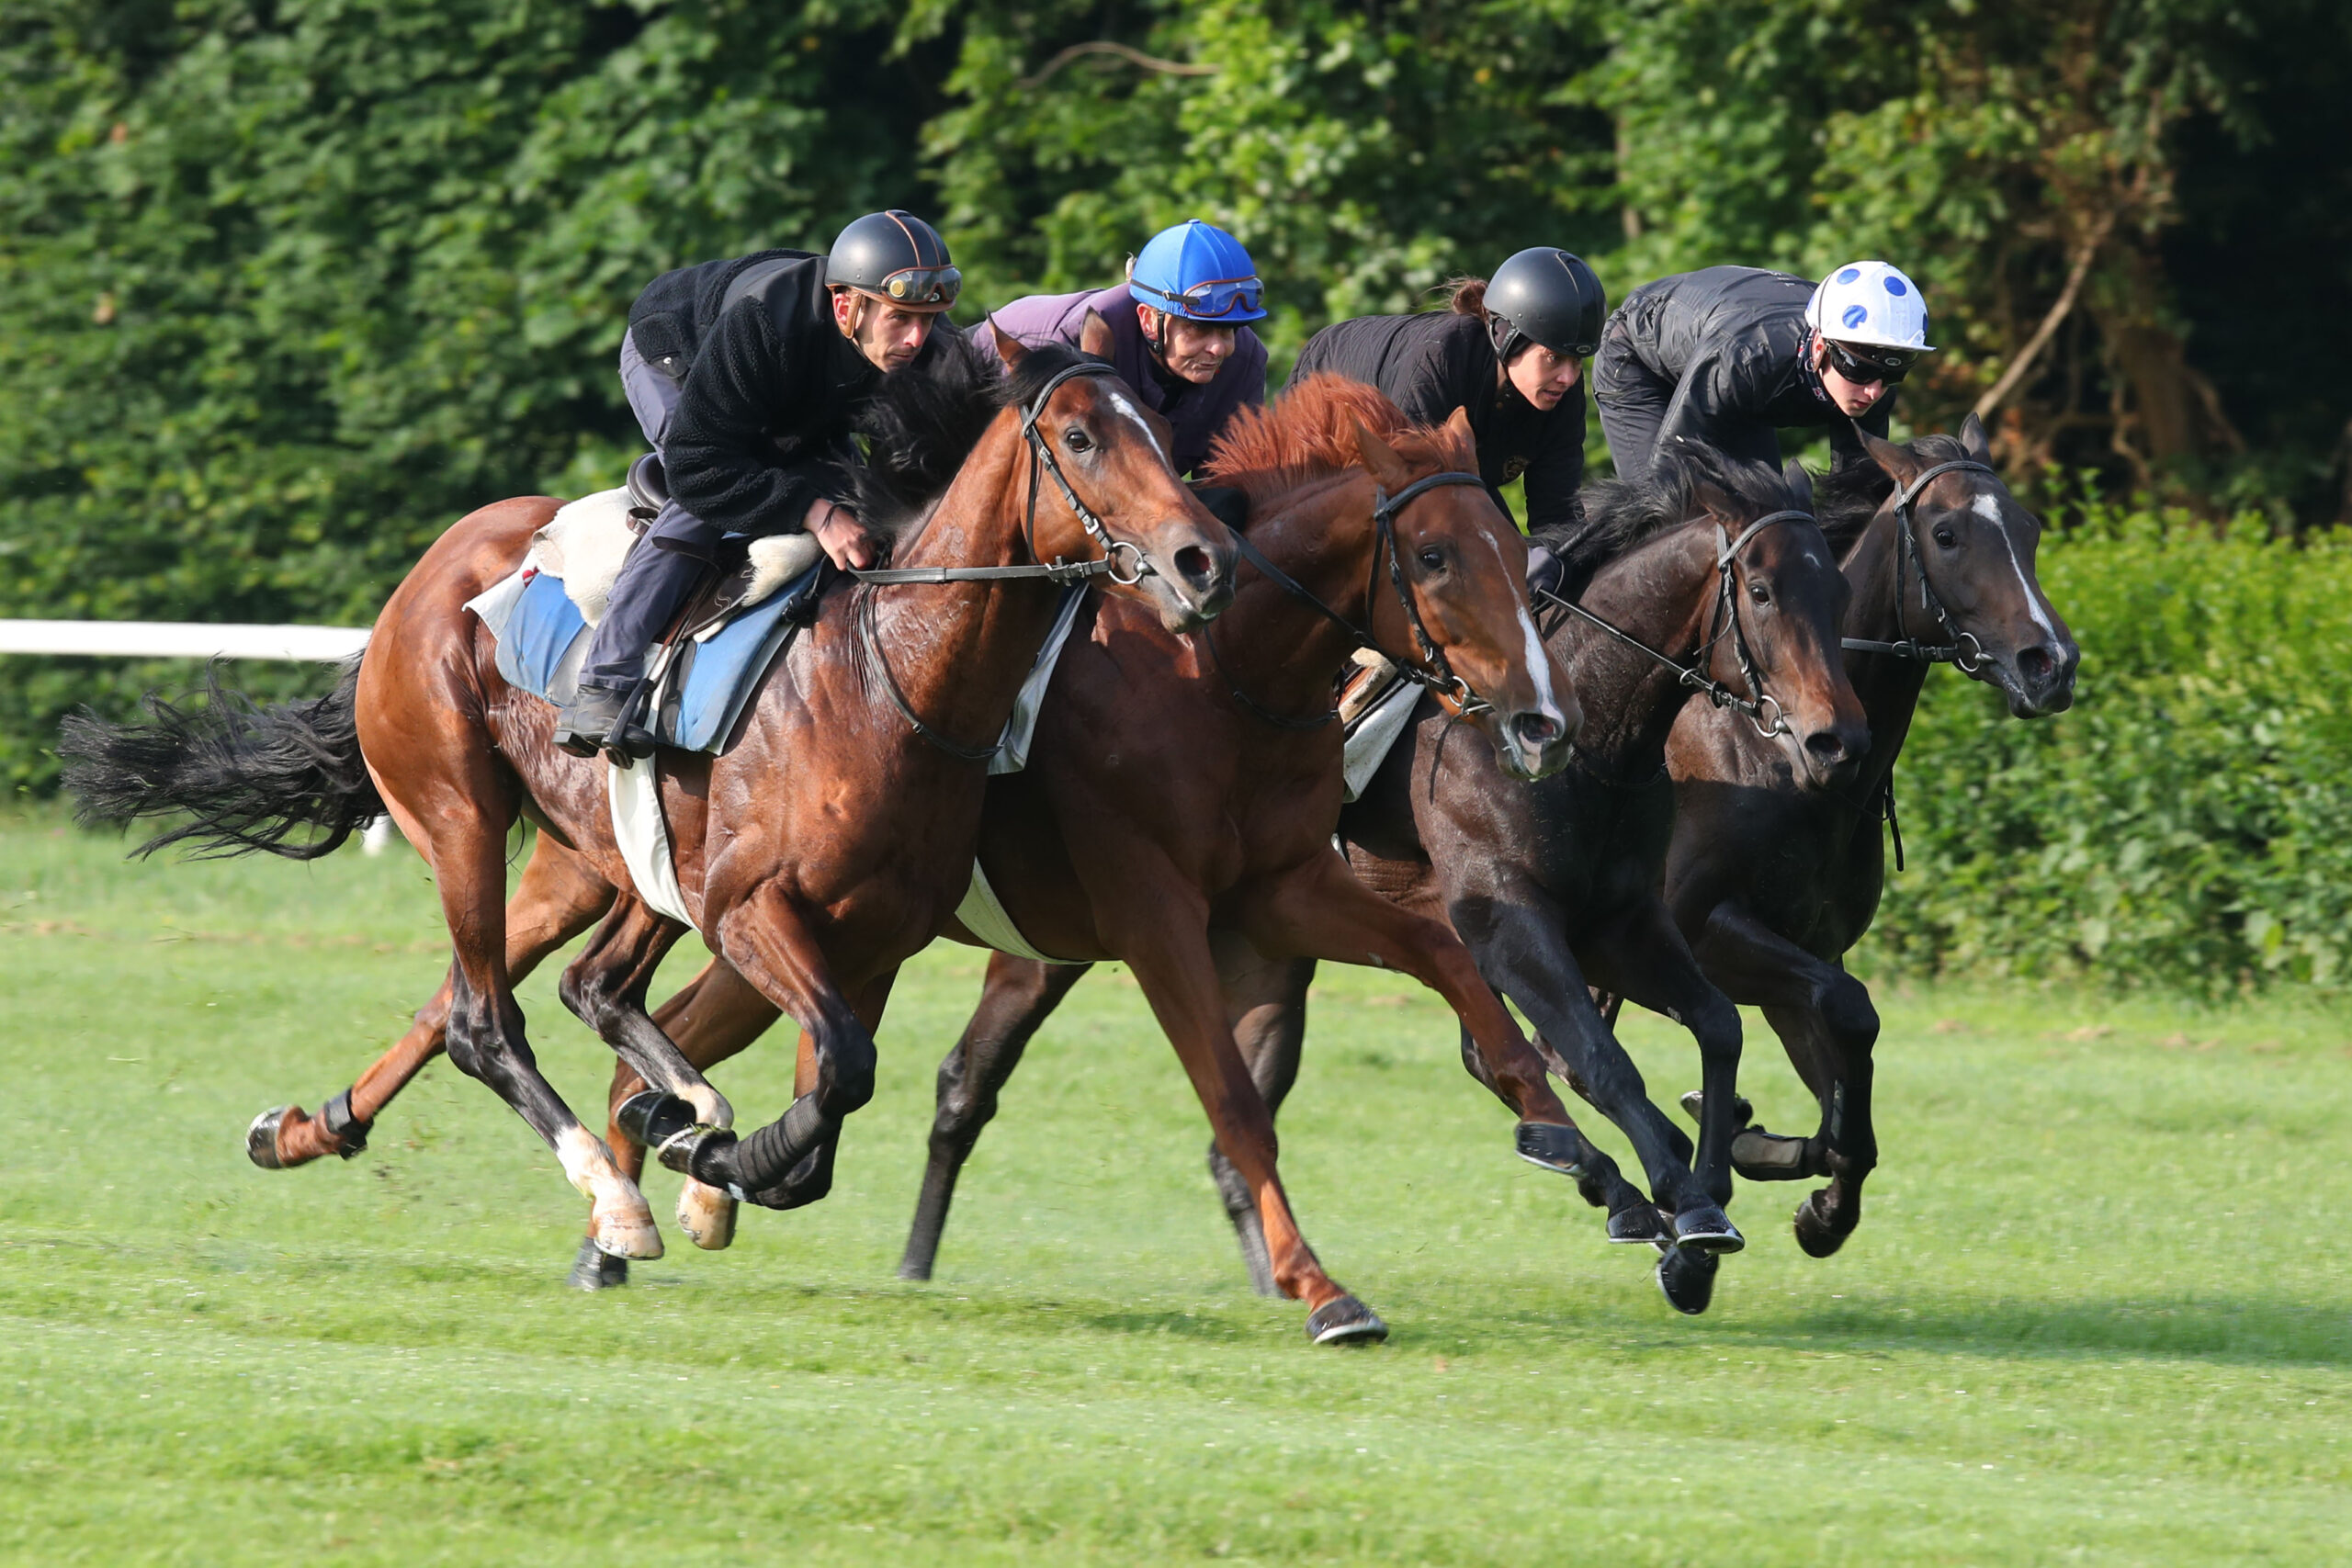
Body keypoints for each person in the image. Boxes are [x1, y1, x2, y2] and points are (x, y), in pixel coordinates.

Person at [554, 209, 962, 758]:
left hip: (792, 382)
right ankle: (604, 683)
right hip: (680, 354)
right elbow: (701, 468)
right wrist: (817, 513)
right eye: (900, 319)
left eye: (929, 319)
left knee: (850, 485)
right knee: (707, 498)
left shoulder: (923, 341)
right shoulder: (765, 319)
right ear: (848, 306)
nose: (917, 338)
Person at [1286, 247, 1605, 534]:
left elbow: (1557, 517)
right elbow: (1419, 508)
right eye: (1553, 358)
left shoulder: (1562, 391)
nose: (1567, 377)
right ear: (1506, 338)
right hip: (1326, 407)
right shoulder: (1439, 360)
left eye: (1577, 361)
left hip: (1444, 475)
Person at [974, 219, 1268, 478]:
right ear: (1149, 320)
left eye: (1229, 329)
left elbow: (1229, 490)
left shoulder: (1245, 362)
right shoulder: (1068, 346)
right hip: (973, 388)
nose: (1218, 348)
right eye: (1199, 328)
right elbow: (1033, 491)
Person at [1592, 260, 1933, 481]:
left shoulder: (1874, 382)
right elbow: (1669, 473)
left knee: (1775, 520)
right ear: (1819, 347)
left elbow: (1854, 497)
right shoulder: (1748, 360)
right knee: (1662, 515)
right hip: (1640, 358)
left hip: (1730, 378)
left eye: (1892, 376)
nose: (1874, 391)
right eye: (1858, 370)